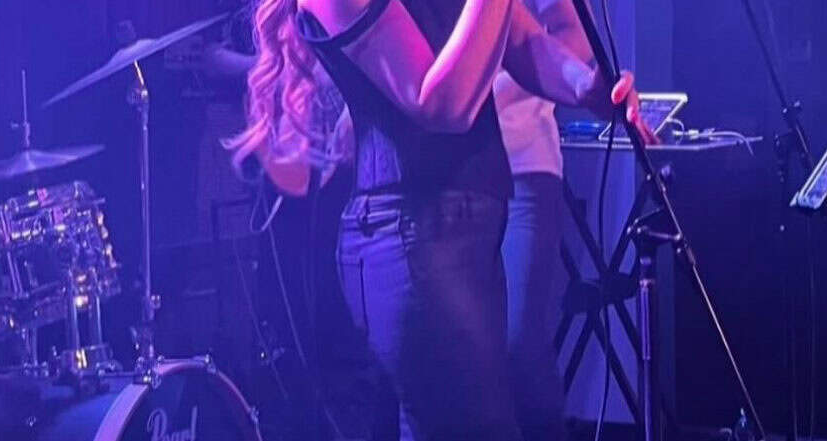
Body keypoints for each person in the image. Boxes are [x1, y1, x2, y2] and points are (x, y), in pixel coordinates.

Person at [227, 0, 654, 439]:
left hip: (469, 225)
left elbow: (522, 40)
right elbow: (441, 105)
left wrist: (586, 87)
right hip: (410, 235)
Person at [493, 0, 594, 438]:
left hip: (522, 164)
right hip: (440, 176)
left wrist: (499, 85)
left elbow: (575, 36)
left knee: (517, 344)